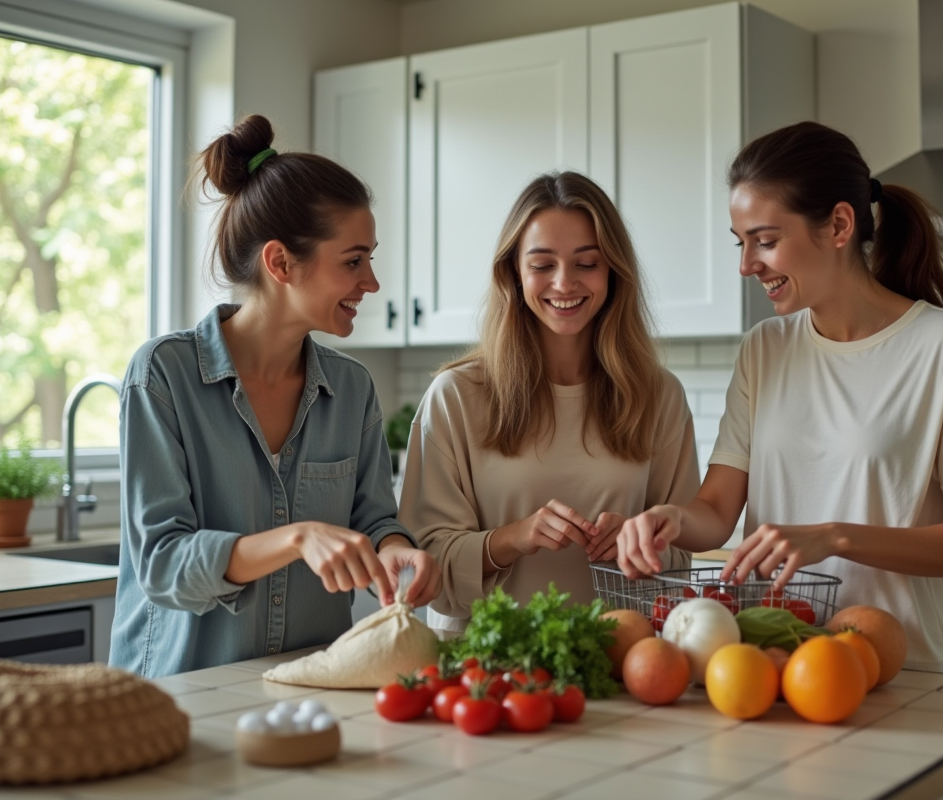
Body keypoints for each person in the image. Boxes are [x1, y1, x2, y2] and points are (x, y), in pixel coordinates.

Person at [616, 122, 943, 676]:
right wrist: (669, 519)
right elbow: (717, 512)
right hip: (775, 668)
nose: (746, 265)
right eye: (740, 242)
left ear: (839, 225)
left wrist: (834, 536)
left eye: (766, 240)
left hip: (904, 674)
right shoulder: (764, 349)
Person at [109, 115, 441, 677]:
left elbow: (373, 518)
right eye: (353, 261)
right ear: (281, 262)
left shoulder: (352, 388)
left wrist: (393, 549)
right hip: (182, 693)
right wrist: (296, 538)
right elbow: (162, 566)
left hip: (310, 685)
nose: (372, 282)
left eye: (370, 259)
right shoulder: (163, 376)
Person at [399, 171, 700, 634]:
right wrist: (511, 539)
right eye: (542, 265)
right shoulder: (455, 396)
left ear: (613, 271)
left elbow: (680, 561)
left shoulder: (659, 397)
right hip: (482, 666)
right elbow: (422, 569)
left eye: (587, 262)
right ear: (514, 273)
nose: (564, 283)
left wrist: (641, 543)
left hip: (618, 658)